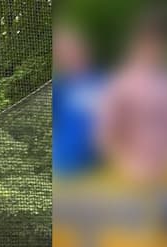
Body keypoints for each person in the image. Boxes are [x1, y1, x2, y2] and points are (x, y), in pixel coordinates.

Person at [95, 11, 167, 185]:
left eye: (162, 41)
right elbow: (105, 136)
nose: (157, 47)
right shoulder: (122, 83)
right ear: (138, 41)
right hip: (134, 180)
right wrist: (126, 166)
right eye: (150, 40)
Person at [52, 22, 107, 179]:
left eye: (75, 50)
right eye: (65, 52)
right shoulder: (59, 87)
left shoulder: (102, 82)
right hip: (66, 165)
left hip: (99, 164)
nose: (72, 56)